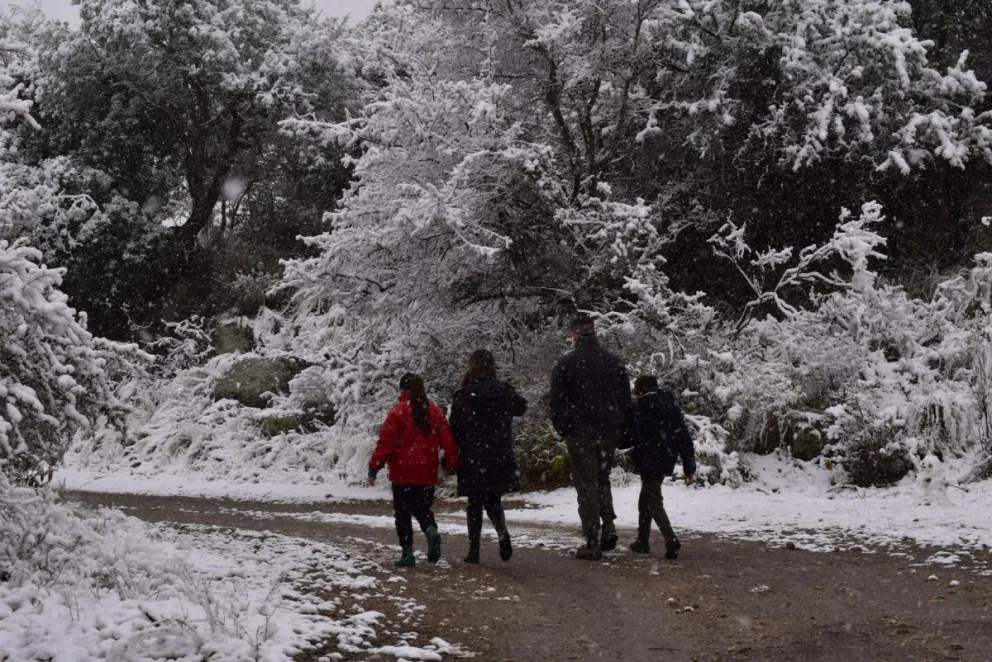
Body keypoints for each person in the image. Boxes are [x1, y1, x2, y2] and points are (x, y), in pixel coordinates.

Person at [549, 315, 632, 560]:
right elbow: (625, 402)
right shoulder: (613, 362)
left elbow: (556, 403)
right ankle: (609, 525)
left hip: (580, 433)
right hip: (607, 432)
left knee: (586, 485)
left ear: (575, 335)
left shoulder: (565, 364)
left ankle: (592, 538)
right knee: (602, 479)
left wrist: (565, 428)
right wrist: (618, 427)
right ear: (594, 332)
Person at [369, 373, 459, 567]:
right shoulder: (434, 411)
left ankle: (407, 553)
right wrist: (452, 463)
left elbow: (386, 443)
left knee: (402, 513)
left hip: (402, 473)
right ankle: (429, 529)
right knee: (422, 509)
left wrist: (374, 467)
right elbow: (448, 441)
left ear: (403, 390)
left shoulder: (398, 412)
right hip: (426, 473)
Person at [449, 349, 528, 564]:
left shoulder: (464, 395)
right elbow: (521, 407)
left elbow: (454, 427)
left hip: (473, 455)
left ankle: (474, 550)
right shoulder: (502, 391)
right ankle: (502, 532)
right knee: (494, 499)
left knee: (474, 502)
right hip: (498, 453)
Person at [618, 375, 697, 559]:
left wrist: (615, 440)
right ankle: (642, 542)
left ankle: (671, 539)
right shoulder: (671, 406)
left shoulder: (640, 408)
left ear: (641, 390)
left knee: (652, 500)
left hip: (647, 458)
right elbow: (684, 438)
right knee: (646, 497)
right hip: (666, 458)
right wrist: (689, 467)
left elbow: (628, 437)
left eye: (637, 390)